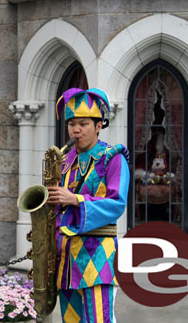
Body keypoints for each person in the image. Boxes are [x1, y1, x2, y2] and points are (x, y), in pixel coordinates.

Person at [47, 88, 130, 323]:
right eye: (72, 123)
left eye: (83, 123)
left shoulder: (114, 157)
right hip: (64, 259)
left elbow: (117, 204)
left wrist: (75, 199)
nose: (76, 129)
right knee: (70, 320)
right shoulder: (62, 161)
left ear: (99, 125)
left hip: (97, 256)